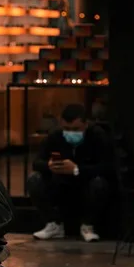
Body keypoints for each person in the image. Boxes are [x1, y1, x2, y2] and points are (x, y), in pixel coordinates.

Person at [28, 104, 113, 242]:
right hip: (60, 183)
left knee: (99, 183)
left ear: (85, 124)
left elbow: (107, 166)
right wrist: (49, 166)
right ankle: (53, 224)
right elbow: (37, 162)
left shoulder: (98, 136)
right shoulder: (55, 136)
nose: (71, 133)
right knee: (34, 179)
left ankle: (88, 225)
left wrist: (77, 169)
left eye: (75, 129)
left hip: (86, 184)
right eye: (66, 129)